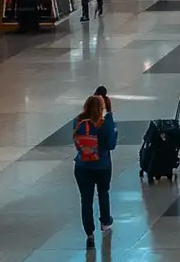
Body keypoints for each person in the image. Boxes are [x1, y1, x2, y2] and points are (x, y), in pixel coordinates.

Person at [72, 89, 117, 249]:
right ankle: (105, 222)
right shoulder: (105, 123)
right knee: (103, 193)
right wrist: (110, 114)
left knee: (86, 200)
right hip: (102, 165)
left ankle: (89, 233)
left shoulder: (78, 121)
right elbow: (111, 144)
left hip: (82, 166)